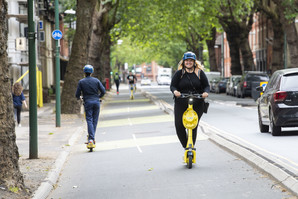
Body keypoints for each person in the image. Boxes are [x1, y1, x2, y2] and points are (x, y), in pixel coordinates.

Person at [170, 51, 210, 148]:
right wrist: (175, 92)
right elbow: (173, 86)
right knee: (179, 125)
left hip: (197, 101)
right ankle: (186, 146)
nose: (189, 62)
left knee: (193, 126)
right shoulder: (179, 73)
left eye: (191, 60)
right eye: (187, 60)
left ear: (194, 62)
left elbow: (206, 86)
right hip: (181, 101)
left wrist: (205, 93)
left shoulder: (199, 72)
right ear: (183, 62)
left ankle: (191, 146)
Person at [75, 65, 106, 147]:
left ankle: (91, 139)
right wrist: (98, 97)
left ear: (84, 72)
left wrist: (79, 97)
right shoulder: (96, 81)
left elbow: (77, 94)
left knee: (89, 119)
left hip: (87, 102)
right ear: (92, 72)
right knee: (94, 120)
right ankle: (92, 138)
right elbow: (103, 91)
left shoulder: (81, 82)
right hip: (96, 102)